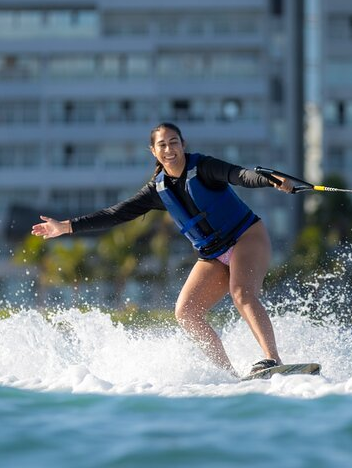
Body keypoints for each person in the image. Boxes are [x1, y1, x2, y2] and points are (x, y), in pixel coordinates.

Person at [31, 122, 295, 377]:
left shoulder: (203, 167)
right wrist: (66, 227)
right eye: (162, 145)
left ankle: (273, 360)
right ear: (153, 151)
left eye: (174, 142)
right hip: (213, 255)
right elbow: (116, 214)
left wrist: (268, 179)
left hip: (245, 237)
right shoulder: (157, 190)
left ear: (183, 145)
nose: (169, 149)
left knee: (242, 294)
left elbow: (239, 175)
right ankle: (229, 375)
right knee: (186, 313)